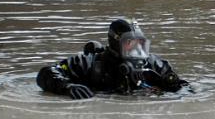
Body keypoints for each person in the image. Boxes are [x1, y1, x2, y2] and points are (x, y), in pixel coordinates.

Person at [37, 19, 187, 99]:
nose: (137, 51)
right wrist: (67, 87)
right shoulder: (89, 63)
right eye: (130, 45)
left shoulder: (154, 65)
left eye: (140, 45)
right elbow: (47, 73)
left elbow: (184, 89)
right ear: (116, 44)